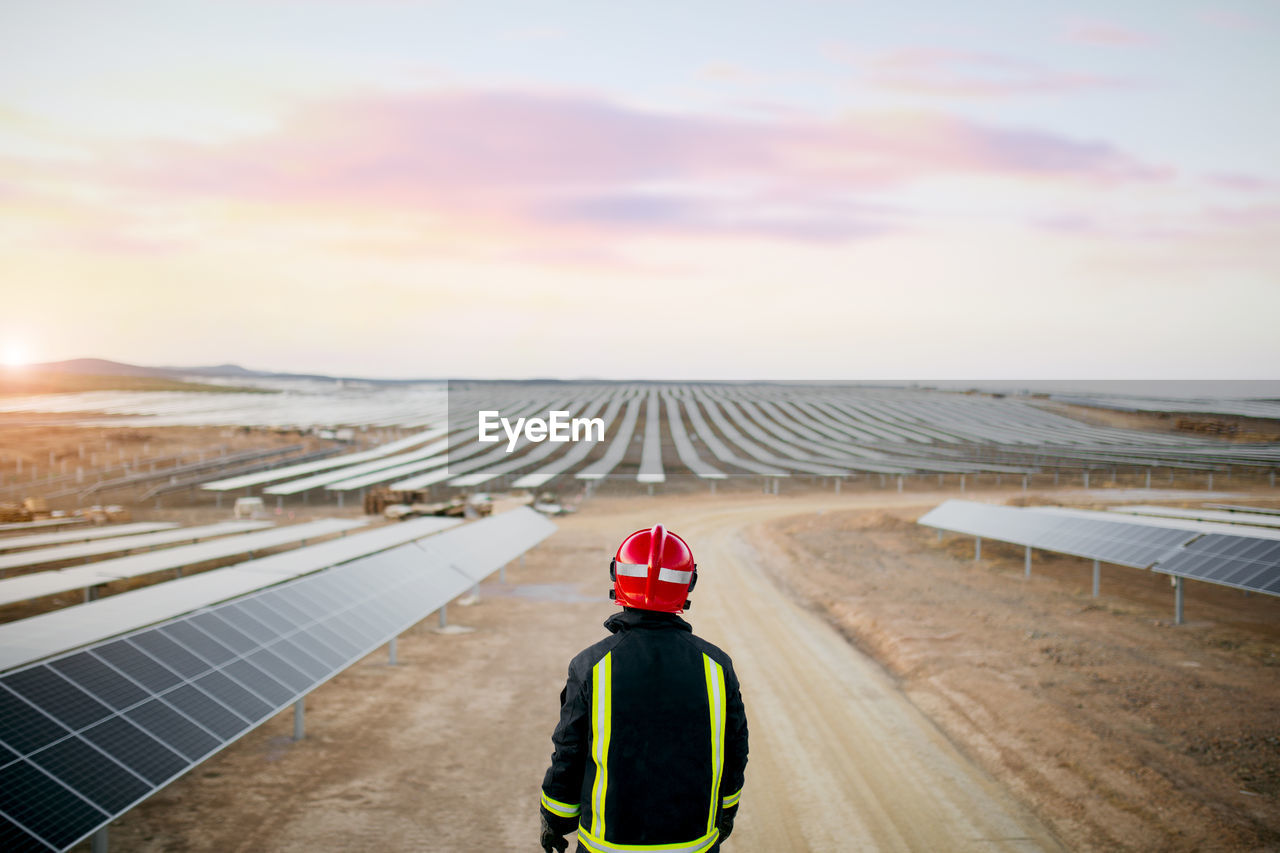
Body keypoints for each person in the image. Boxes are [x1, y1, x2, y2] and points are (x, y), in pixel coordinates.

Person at [539, 523, 748, 853]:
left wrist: (555, 818)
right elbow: (734, 753)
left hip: (607, 846)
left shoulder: (592, 665)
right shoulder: (716, 665)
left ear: (618, 578)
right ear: (687, 585)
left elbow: (569, 752)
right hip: (693, 845)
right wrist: (725, 813)